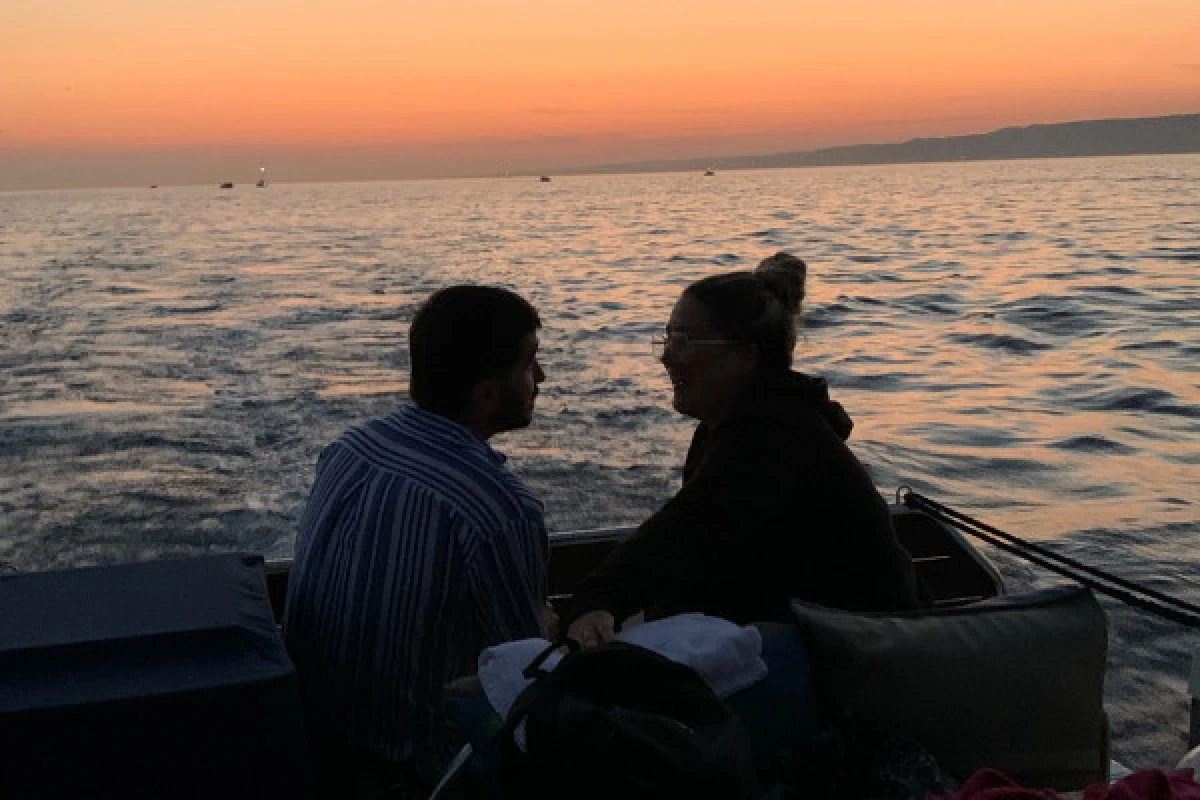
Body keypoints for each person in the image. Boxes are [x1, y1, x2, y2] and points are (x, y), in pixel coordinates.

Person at [564, 253, 919, 649]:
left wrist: (599, 599)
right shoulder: (737, 427)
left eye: (684, 340)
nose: (666, 355)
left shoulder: (773, 438)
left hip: (862, 654)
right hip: (814, 633)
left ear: (744, 357)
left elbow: (690, 530)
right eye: (666, 338)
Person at [283, 285, 552, 797]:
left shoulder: (349, 449)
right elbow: (523, 684)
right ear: (487, 392)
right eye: (530, 363)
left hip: (318, 752)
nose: (541, 378)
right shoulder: (500, 509)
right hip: (420, 776)